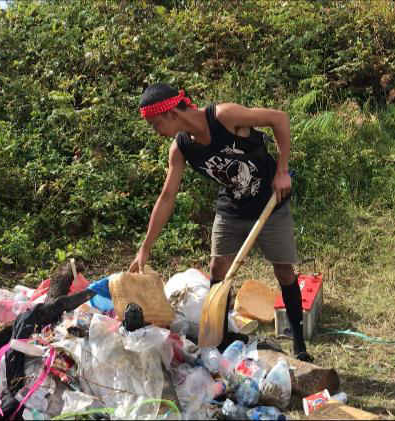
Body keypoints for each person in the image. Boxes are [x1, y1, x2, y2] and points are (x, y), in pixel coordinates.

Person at [128, 84, 312, 361]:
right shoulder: (181, 148)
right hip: (232, 207)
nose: (156, 131)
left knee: (284, 271)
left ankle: (299, 345)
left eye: (155, 124)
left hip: (270, 201)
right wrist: (145, 248)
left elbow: (279, 118)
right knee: (218, 269)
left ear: (170, 113)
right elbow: (167, 197)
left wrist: (282, 170)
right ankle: (220, 340)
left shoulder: (224, 117)